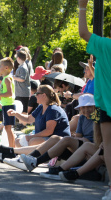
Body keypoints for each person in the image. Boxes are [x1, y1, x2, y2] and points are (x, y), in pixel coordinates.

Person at [79, 1, 111, 199]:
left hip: (106, 104)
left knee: (108, 145)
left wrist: (82, 6)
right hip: (104, 103)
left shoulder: (106, 45)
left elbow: (83, 33)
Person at [0, 85, 70, 160]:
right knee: (18, 141)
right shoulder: (41, 107)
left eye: (37, 93)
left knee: (33, 141)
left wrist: (31, 137)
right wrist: (15, 113)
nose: (35, 95)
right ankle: (15, 155)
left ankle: (11, 153)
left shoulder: (53, 109)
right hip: (46, 139)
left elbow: (49, 131)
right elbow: (28, 119)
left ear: (44, 95)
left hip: (58, 142)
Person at [20, 94, 95, 172]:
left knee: (67, 139)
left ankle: (36, 162)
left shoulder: (98, 119)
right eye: (83, 107)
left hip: (91, 147)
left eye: (89, 107)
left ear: (94, 107)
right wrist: (77, 138)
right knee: (55, 138)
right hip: (81, 146)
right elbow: (79, 136)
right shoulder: (82, 118)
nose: (86, 110)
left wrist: (81, 139)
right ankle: (31, 158)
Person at [0, 57, 16, 147]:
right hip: (6, 105)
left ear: (6, 68)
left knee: (8, 128)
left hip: (9, 105)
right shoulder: (5, 78)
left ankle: (12, 148)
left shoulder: (7, 79)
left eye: (0, 66)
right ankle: (11, 147)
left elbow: (9, 93)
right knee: (7, 128)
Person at [13, 50, 31, 130]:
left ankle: (24, 124)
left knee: (24, 110)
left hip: (23, 92)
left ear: (19, 58)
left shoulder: (23, 67)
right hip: (20, 92)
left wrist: (14, 77)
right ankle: (21, 123)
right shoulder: (21, 66)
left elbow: (22, 79)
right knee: (20, 109)